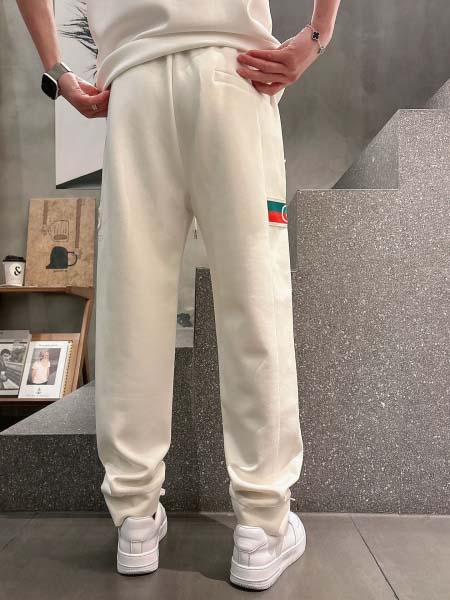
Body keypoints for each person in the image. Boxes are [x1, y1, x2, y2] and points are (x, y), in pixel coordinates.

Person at [16, 0, 341, 590]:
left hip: (134, 86)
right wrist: (317, 34)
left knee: (131, 313)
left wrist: (58, 70)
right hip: (235, 75)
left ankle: (135, 520)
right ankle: (262, 525)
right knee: (255, 304)